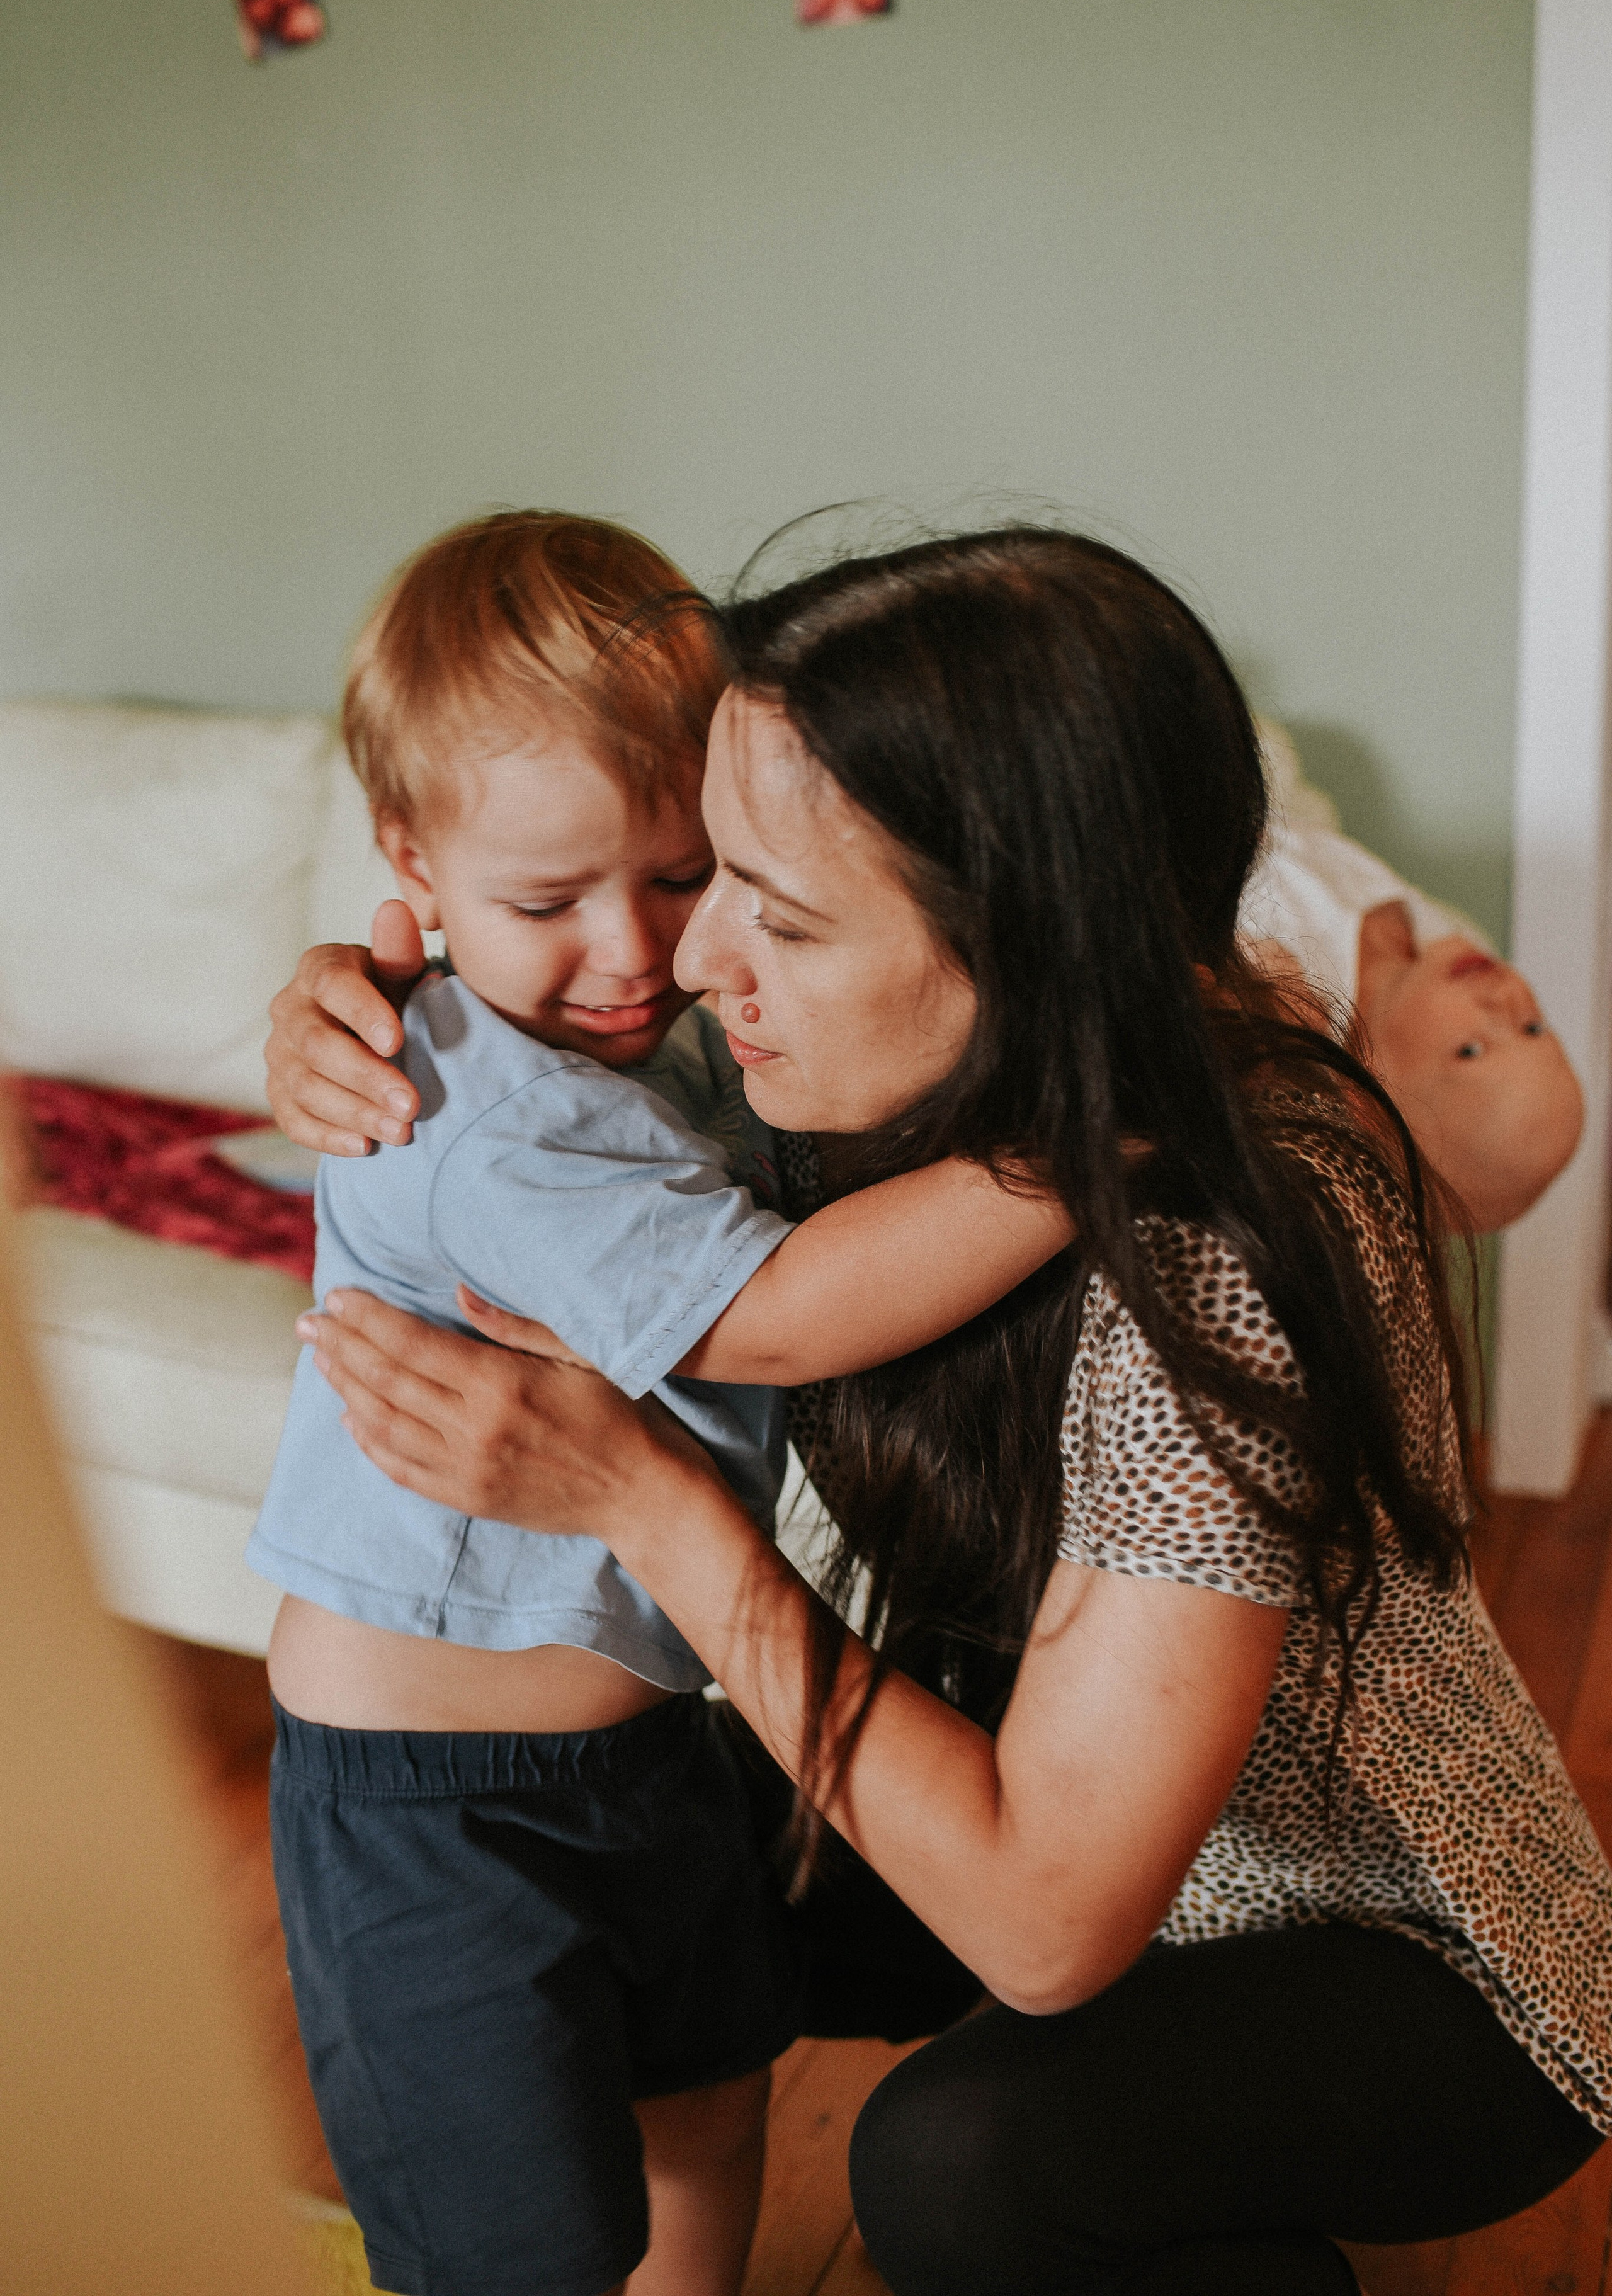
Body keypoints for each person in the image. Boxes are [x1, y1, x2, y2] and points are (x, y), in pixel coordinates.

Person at [268, 526, 1612, 2296]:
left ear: (1022, 936)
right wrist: (350, 1005)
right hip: (1020, 1810)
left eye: (765, 904)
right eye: (713, 872)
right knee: (654, 1937)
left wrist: (650, 1507)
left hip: (1378, 1945)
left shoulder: (1207, 1265)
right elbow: (539, 1084)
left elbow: (1050, 1926)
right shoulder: (845, 1072)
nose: (689, 961)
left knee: (960, 2164)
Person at [256, 512, 1070, 2296]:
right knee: (518, 2241)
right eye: (545, 904)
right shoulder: (479, 1108)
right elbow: (771, 1317)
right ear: (411, 862)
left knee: (708, 2101)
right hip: (432, 1801)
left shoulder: (671, 1034)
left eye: (682, 872)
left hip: (655, 1733)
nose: (632, 951)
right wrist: (1086, 1151)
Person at [1242, 728, 1582, 1229]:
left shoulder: (1293, 1000)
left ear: (1368, 1099)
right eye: (1533, 1028)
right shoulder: (1441, 943)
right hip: (1285, 816)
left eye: (1471, 1049)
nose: (1505, 1006)